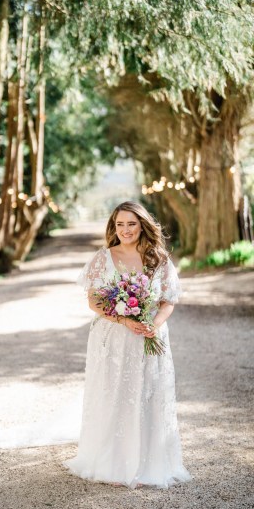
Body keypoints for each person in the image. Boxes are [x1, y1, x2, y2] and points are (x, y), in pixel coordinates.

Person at [63, 201, 191, 489]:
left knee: (148, 392)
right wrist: (124, 321)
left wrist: (153, 325)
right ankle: (113, 461)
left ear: (142, 225)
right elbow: (94, 300)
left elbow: (168, 301)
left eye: (131, 224)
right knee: (115, 391)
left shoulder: (158, 259)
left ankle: (151, 460)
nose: (125, 230)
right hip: (113, 338)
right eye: (119, 224)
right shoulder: (104, 258)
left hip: (149, 335)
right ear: (113, 227)